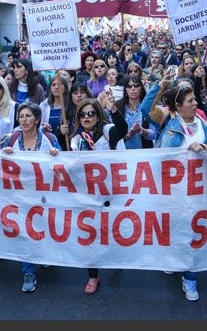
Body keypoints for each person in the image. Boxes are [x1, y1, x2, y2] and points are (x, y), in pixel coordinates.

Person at [142, 69, 207, 302]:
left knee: (190, 231)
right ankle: (172, 259)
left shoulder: (202, 125)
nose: (196, 102)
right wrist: (160, 84)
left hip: (195, 189)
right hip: (169, 187)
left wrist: (204, 148)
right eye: (191, 100)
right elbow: (146, 109)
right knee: (171, 227)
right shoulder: (166, 118)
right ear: (178, 104)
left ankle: (189, 277)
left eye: (195, 99)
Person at [0, 102, 60, 293]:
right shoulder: (11, 139)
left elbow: (64, 165)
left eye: (28, 116)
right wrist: (0, 150)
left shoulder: (50, 139)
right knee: (26, 231)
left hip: (44, 195)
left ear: (37, 119)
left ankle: (42, 255)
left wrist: (56, 155)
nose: (24, 120)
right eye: (21, 116)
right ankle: (28, 271)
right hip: (20, 195)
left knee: (43, 228)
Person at [69, 96, 128, 295]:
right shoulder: (75, 139)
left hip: (110, 191)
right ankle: (93, 276)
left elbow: (123, 130)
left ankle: (115, 257)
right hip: (86, 193)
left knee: (111, 227)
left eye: (91, 113)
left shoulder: (107, 131)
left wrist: (114, 109)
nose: (86, 117)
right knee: (89, 234)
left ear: (97, 115)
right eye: (83, 114)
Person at [116, 74, 156, 149]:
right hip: (122, 153)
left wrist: (142, 130)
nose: (133, 88)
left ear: (141, 88)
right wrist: (121, 135)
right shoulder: (117, 106)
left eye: (136, 85)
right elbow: (111, 131)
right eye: (129, 86)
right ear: (125, 89)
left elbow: (154, 134)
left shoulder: (148, 107)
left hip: (144, 153)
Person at [40, 73, 71, 150]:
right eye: (53, 85)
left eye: (60, 84)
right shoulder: (44, 105)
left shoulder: (70, 104)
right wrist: (44, 128)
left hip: (66, 145)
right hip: (49, 145)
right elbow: (37, 125)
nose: (57, 87)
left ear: (65, 87)